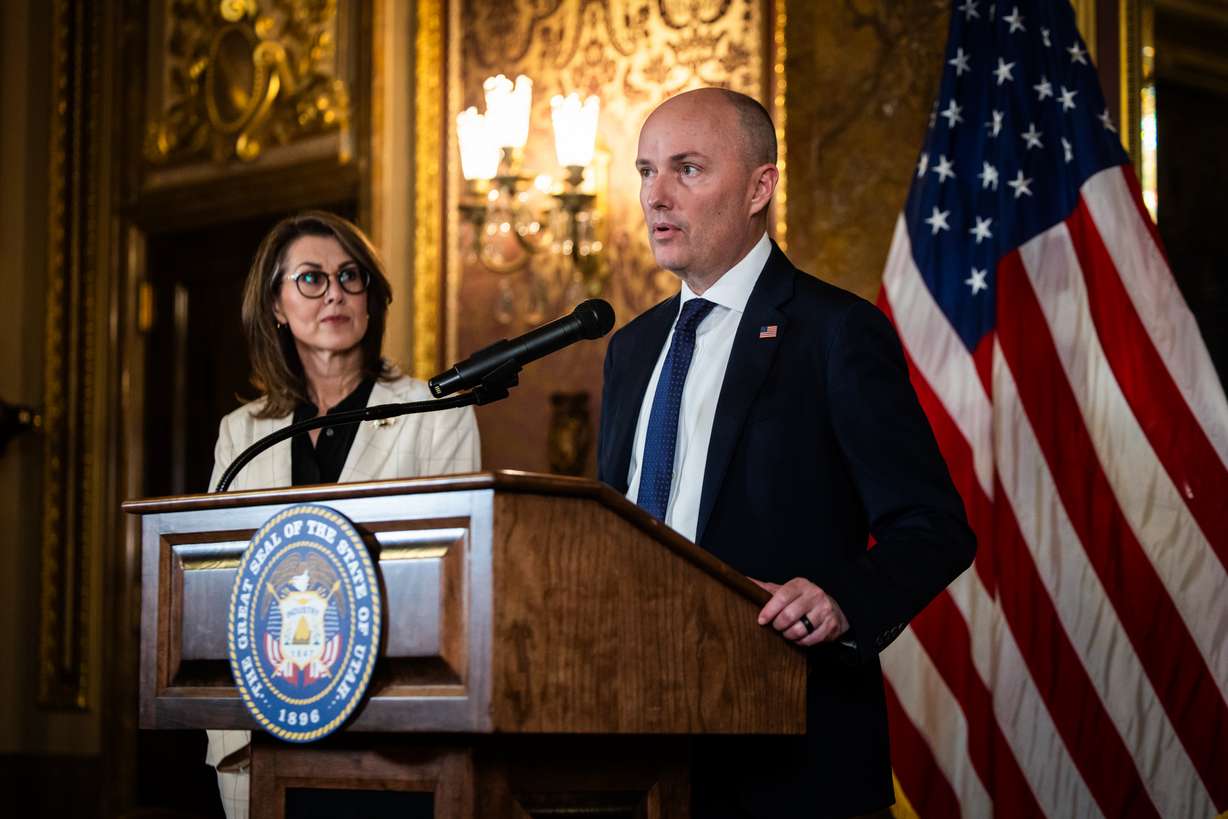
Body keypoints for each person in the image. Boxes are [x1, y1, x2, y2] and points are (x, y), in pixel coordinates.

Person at [598, 88, 976, 818]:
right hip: (637, 739)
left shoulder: (835, 332)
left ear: (759, 187)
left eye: (688, 169)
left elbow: (933, 526)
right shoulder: (630, 348)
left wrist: (841, 599)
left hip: (786, 748)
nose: (656, 196)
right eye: (646, 171)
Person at [206, 210, 480, 819]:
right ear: (275, 305)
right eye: (310, 278)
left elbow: (454, 584)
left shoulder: (434, 412)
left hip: (392, 722)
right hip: (268, 714)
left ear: (370, 297)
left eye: (349, 276)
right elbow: (220, 581)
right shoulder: (242, 432)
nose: (334, 292)